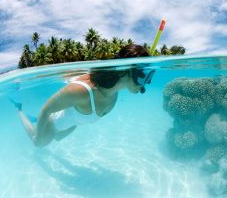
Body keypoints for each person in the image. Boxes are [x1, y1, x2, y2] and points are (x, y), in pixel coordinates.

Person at [11, 44, 154, 147]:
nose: (146, 83)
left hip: (67, 125)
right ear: (125, 71)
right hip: (53, 121)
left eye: (149, 77)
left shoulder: (114, 94)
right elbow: (46, 109)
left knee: (57, 136)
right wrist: (38, 137)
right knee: (39, 144)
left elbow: (80, 118)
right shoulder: (82, 91)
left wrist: (64, 131)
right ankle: (19, 109)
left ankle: (41, 125)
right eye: (143, 76)